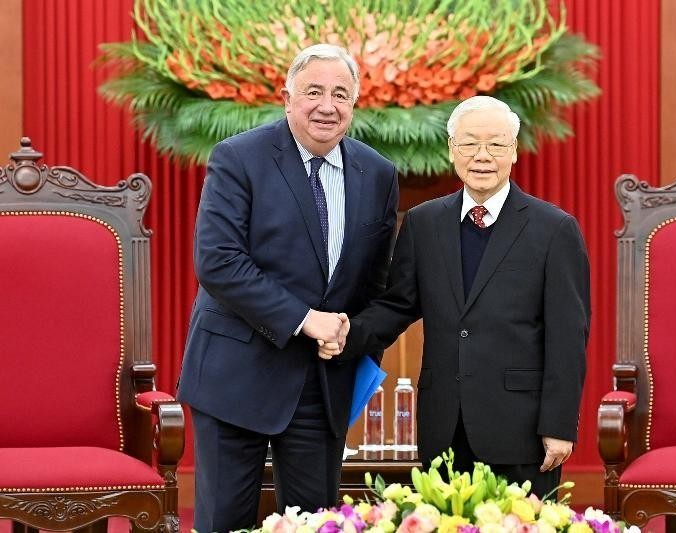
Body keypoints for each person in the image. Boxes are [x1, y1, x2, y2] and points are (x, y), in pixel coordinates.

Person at [177, 44, 398, 532]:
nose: (327, 105)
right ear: (287, 98)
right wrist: (305, 319)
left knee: (315, 523)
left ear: (355, 104)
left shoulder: (378, 174)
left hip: (321, 383)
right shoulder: (238, 158)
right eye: (314, 91)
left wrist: (351, 335)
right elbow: (218, 261)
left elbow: (374, 279)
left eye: (341, 94)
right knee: (226, 523)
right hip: (236, 375)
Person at [322, 96, 590, 498]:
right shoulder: (423, 223)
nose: (482, 156)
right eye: (469, 143)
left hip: (521, 429)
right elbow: (397, 306)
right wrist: (344, 334)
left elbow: (568, 336)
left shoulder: (553, 229)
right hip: (443, 424)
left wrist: (558, 424)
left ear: (514, 151)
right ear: (451, 150)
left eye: (496, 144)